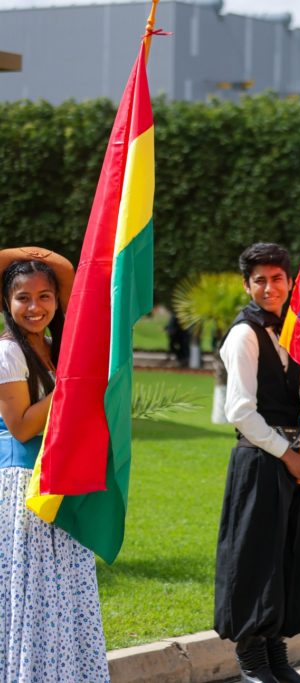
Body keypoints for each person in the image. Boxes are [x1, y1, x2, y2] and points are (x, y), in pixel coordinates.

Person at [214, 243, 300, 683]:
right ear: (247, 284)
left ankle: (276, 658)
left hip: (293, 459)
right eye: (259, 280)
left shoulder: (292, 331)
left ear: (290, 282)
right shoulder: (244, 334)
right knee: (255, 558)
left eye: (278, 278)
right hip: (261, 463)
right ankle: (252, 663)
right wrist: (288, 458)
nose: (269, 287)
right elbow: (239, 411)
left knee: (286, 557)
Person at [0, 246, 109, 682]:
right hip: (25, 487)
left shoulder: (53, 348)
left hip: (62, 482)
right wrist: (69, 384)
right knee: (35, 598)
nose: (35, 307)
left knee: (61, 597)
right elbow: (23, 425)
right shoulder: (7, 353)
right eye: (23, 297)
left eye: (45, 296)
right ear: (8, 302)